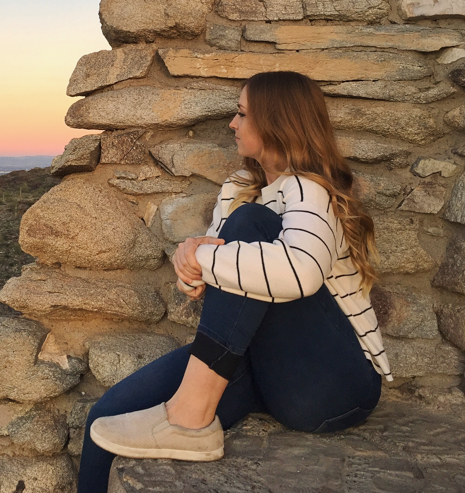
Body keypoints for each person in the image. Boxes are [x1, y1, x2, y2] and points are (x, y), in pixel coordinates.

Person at [77, 71, 391, 493]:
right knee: (104, 422)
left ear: (278, 121)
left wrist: (202, 255)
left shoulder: (309, 189)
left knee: (251, 224)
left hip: (336, 384)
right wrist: (191, 264)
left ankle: (190, 419)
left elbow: (301, 270)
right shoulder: (242, 189)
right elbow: (222, 287)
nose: (232, 123)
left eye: (242, 113)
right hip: (262, 365)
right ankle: (189, 414)